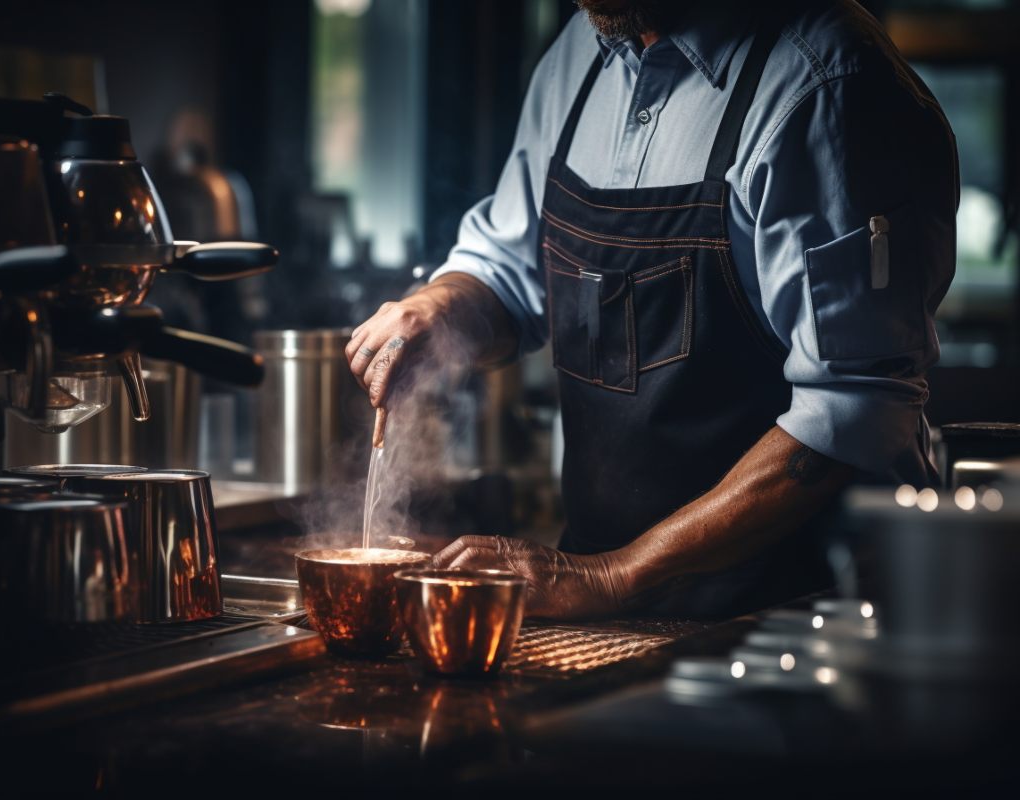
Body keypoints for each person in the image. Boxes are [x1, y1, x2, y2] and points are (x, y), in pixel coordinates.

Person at [345, 0, 957, 619]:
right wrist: (440, 308)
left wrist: (612, 575)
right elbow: (508, 276)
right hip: (605, 608)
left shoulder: (830, 83)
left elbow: (854, 414)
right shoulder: (581, 55)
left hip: (796, 617)